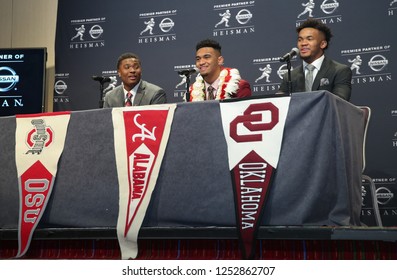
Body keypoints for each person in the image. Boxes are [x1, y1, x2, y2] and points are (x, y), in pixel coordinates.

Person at [278, 18, 352, 101]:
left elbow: (339, 102)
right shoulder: (290, 76)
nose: (303, 43)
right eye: (300, 40)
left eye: (309, 39)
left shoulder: (339, 71)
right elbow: (280, 104)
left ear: (323, 44)